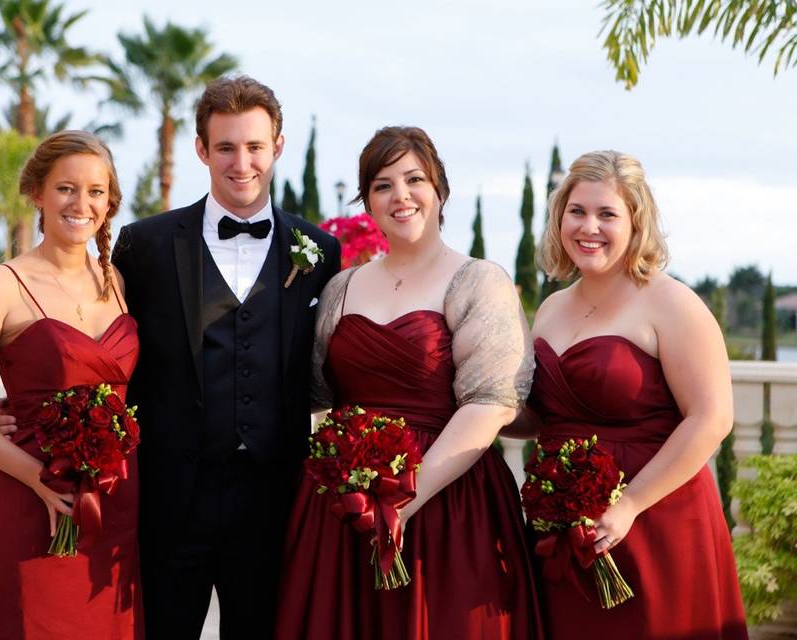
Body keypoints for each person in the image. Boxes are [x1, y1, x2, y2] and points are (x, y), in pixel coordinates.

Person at [0, 76, 340, 638]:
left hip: (275, 501)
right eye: (225, 147)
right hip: (167, 499)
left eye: (254, 146)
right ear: (202, 150)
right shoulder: (144, 244)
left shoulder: (319, 250)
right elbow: (98, 339)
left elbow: (336, 360)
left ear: (277, 146)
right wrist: (36, 406)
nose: (241, 162)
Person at [275, 126, 543, 640]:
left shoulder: (478, 281)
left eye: (414, 179)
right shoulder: (341, 287)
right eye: (382, 184)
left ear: (440, 189)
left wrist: (401, 501)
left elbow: (488, 405)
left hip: (448, 504)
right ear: (367, 202)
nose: (400, 195)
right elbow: (312, 393)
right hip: (342, 509)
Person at [506, 150, 748, 638]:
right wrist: (464, 401)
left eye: (607, 214)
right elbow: (538, 418)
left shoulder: (672, 303)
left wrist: (629, 505)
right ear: (559, 219)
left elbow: (711, 418)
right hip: (567, 525)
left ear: (637, 223)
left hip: (655, 521)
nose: (588, 226)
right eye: (576, 211)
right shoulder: (551, 308)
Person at [0, 130, 142, 638]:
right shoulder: (0, 283)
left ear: (109, 204)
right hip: (33, 498)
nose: (81, 204)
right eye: (66, 188)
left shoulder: (118, 282)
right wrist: (36, 478)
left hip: (116, 503)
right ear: (37, 193)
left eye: (96, 192)